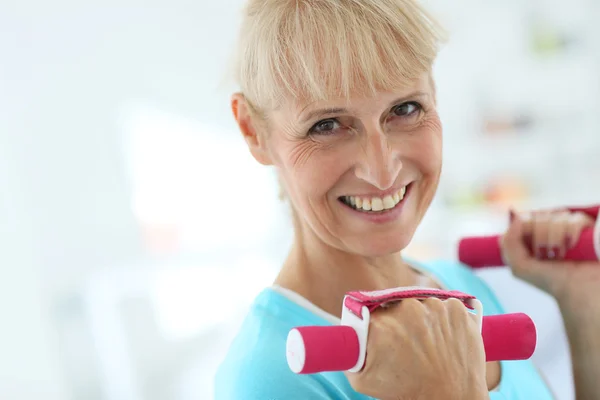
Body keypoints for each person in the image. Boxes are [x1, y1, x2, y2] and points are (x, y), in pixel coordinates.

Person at [214, 0, 600, 399]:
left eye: (405, 108)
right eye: (326, 125)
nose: (382, 172)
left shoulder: (461, 290)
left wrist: (585, 310)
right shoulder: (268, 379)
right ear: (252, 131)